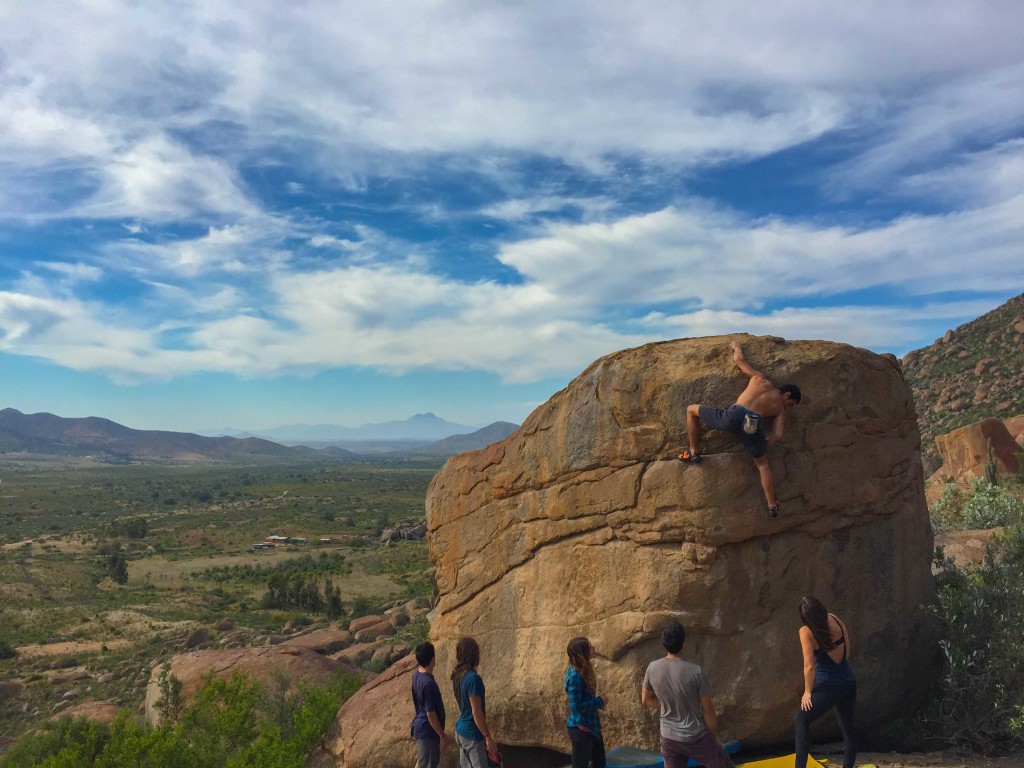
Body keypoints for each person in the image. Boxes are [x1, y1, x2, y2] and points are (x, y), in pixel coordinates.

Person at [682, 339, 801, 517]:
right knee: (762, 465)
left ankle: (693, 452)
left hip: (733, 415)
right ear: (787, 394)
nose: (788, 407)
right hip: (752, 423)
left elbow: (739, 361)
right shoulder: (780, 410)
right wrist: (761, 445)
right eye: (790, 403)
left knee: (691, 409)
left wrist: (736, 347)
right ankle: (772, 505)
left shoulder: (759, 379)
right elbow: (778, 434)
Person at [641, 621, 734, 768]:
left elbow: (645, 699)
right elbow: (707, 710)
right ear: (683, 642)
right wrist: (715, 736)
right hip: (695, 736)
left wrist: (666, 707)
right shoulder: (695, 671)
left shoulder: (652, 668)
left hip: (669, 737)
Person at [795, 596, 857, 768]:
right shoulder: (835, 618)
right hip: (848, 681)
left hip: (828, 686)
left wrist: (807, 692)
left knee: (801, 719)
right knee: (849, 730)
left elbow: (809, 667)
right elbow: (847, 649)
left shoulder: (806, 631)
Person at [451, 636, 497, 768]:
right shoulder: (473, 679)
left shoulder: (457, 675)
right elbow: (476, 711)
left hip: (461, 730)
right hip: (472, 734)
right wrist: (487, 737)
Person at [565, 636, 607, 768]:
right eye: (589, 647)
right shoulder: (575, 675)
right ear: (582, 653)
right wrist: (599, 701)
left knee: (599, 762)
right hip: (581, 729)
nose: (593, 648)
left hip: (591, 726)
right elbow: (575, 707)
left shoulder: (585, 670)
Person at [411, 641, 447, 768]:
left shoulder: (416, 675)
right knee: (428, 763)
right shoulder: (428, 683)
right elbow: (431, 714)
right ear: (432, 658)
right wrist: (441, 735)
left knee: (423, 763)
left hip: (420, 726)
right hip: (428, 731)